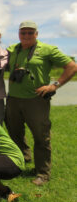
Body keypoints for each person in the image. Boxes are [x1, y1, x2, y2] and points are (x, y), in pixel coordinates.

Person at [5, 21, 77, 186]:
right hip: (13, 99)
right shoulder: (13, 49)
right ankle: (23, 157)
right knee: (14, 132)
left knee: (41, 136)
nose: (26, 36)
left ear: (37, 34)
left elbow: (72, 67)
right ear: (18, 34)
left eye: (30, 32)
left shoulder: (47, 49)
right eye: (23, 32)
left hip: (36, 100)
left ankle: (43, 173)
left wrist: (54, 85)